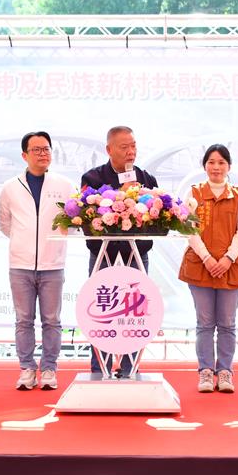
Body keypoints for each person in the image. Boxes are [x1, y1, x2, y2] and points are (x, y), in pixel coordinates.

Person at [80, 125, 158, 375]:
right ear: (109, 150)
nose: (130, 152)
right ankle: (99, 370)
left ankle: (130, 369)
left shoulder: (146, 179)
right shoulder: (92, 179)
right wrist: (119, 197)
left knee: (135, 314)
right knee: (100, 310)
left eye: (133, 146)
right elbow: (86, 217)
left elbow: (157, 219)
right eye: (124, 147)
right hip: (104, 255)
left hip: (136, 255)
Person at [0, 131, 72, 391]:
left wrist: (50, 242)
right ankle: (27, 369)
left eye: (47, 149)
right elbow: (5, 224)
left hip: (53, 264)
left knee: (52, 320)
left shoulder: (65, 185)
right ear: (24, 155)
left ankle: (49, 368)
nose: (43, 154)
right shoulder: (10, 187)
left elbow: (73, 221)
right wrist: (25, 242)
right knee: (23, 320)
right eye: (37, 149)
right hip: (20, 265)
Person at [178, 144, 238, 393]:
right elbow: (188, 229)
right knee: (205, 323)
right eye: (211, 162)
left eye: (221, 162)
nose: (216, 167)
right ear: (204, 165)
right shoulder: (194, 192)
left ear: (229, 166)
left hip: (230, 266)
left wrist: (228, 258)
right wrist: (207, 258)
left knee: (227, 323)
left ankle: (225, 371)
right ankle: (206, 372)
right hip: (200, 265)